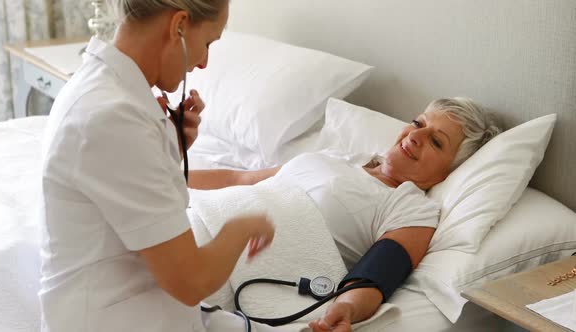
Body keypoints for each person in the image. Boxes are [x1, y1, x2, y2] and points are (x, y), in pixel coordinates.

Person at [38, 1, 278, 331]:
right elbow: (191, 281)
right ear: (178, 25)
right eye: (208, 42)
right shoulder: (113, 117)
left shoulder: (103, 90)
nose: (204, 62)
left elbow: (126, 198)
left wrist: (170, 150)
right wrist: (246, 225)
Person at [192, 97, 501, 332]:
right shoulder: (339, 156)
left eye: (436, 141)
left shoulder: (410, 208)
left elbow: (374, 277)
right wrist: (160, 178)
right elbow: (240, 180)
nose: (416, 136)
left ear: (449, 171)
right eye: (419, 123)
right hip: (199, 221)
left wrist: (347, 311)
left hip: (227, 265)